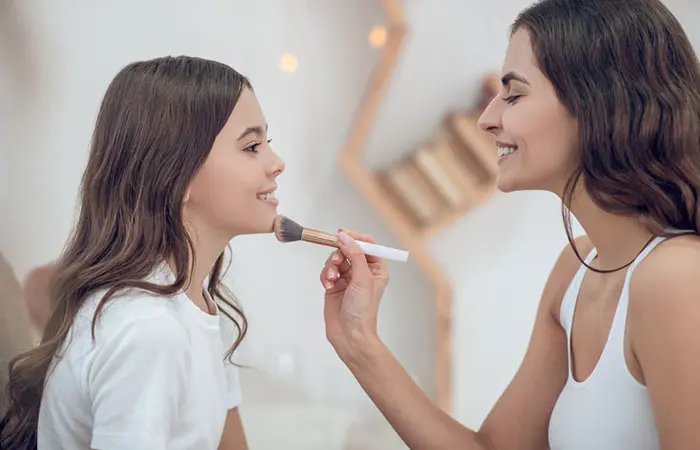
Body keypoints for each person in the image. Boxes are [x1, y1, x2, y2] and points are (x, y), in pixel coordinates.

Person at [319, 0, 700, 449]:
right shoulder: (574, 271)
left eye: (514, 94)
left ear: (597, 102)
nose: (487, 118)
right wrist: (358, 342)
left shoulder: (677, 277)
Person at [0, 55, 285, 450]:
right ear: (177, 175)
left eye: (267, 142)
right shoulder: (149, 333)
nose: (277, 163)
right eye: (252, 146)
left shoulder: (199, 302)